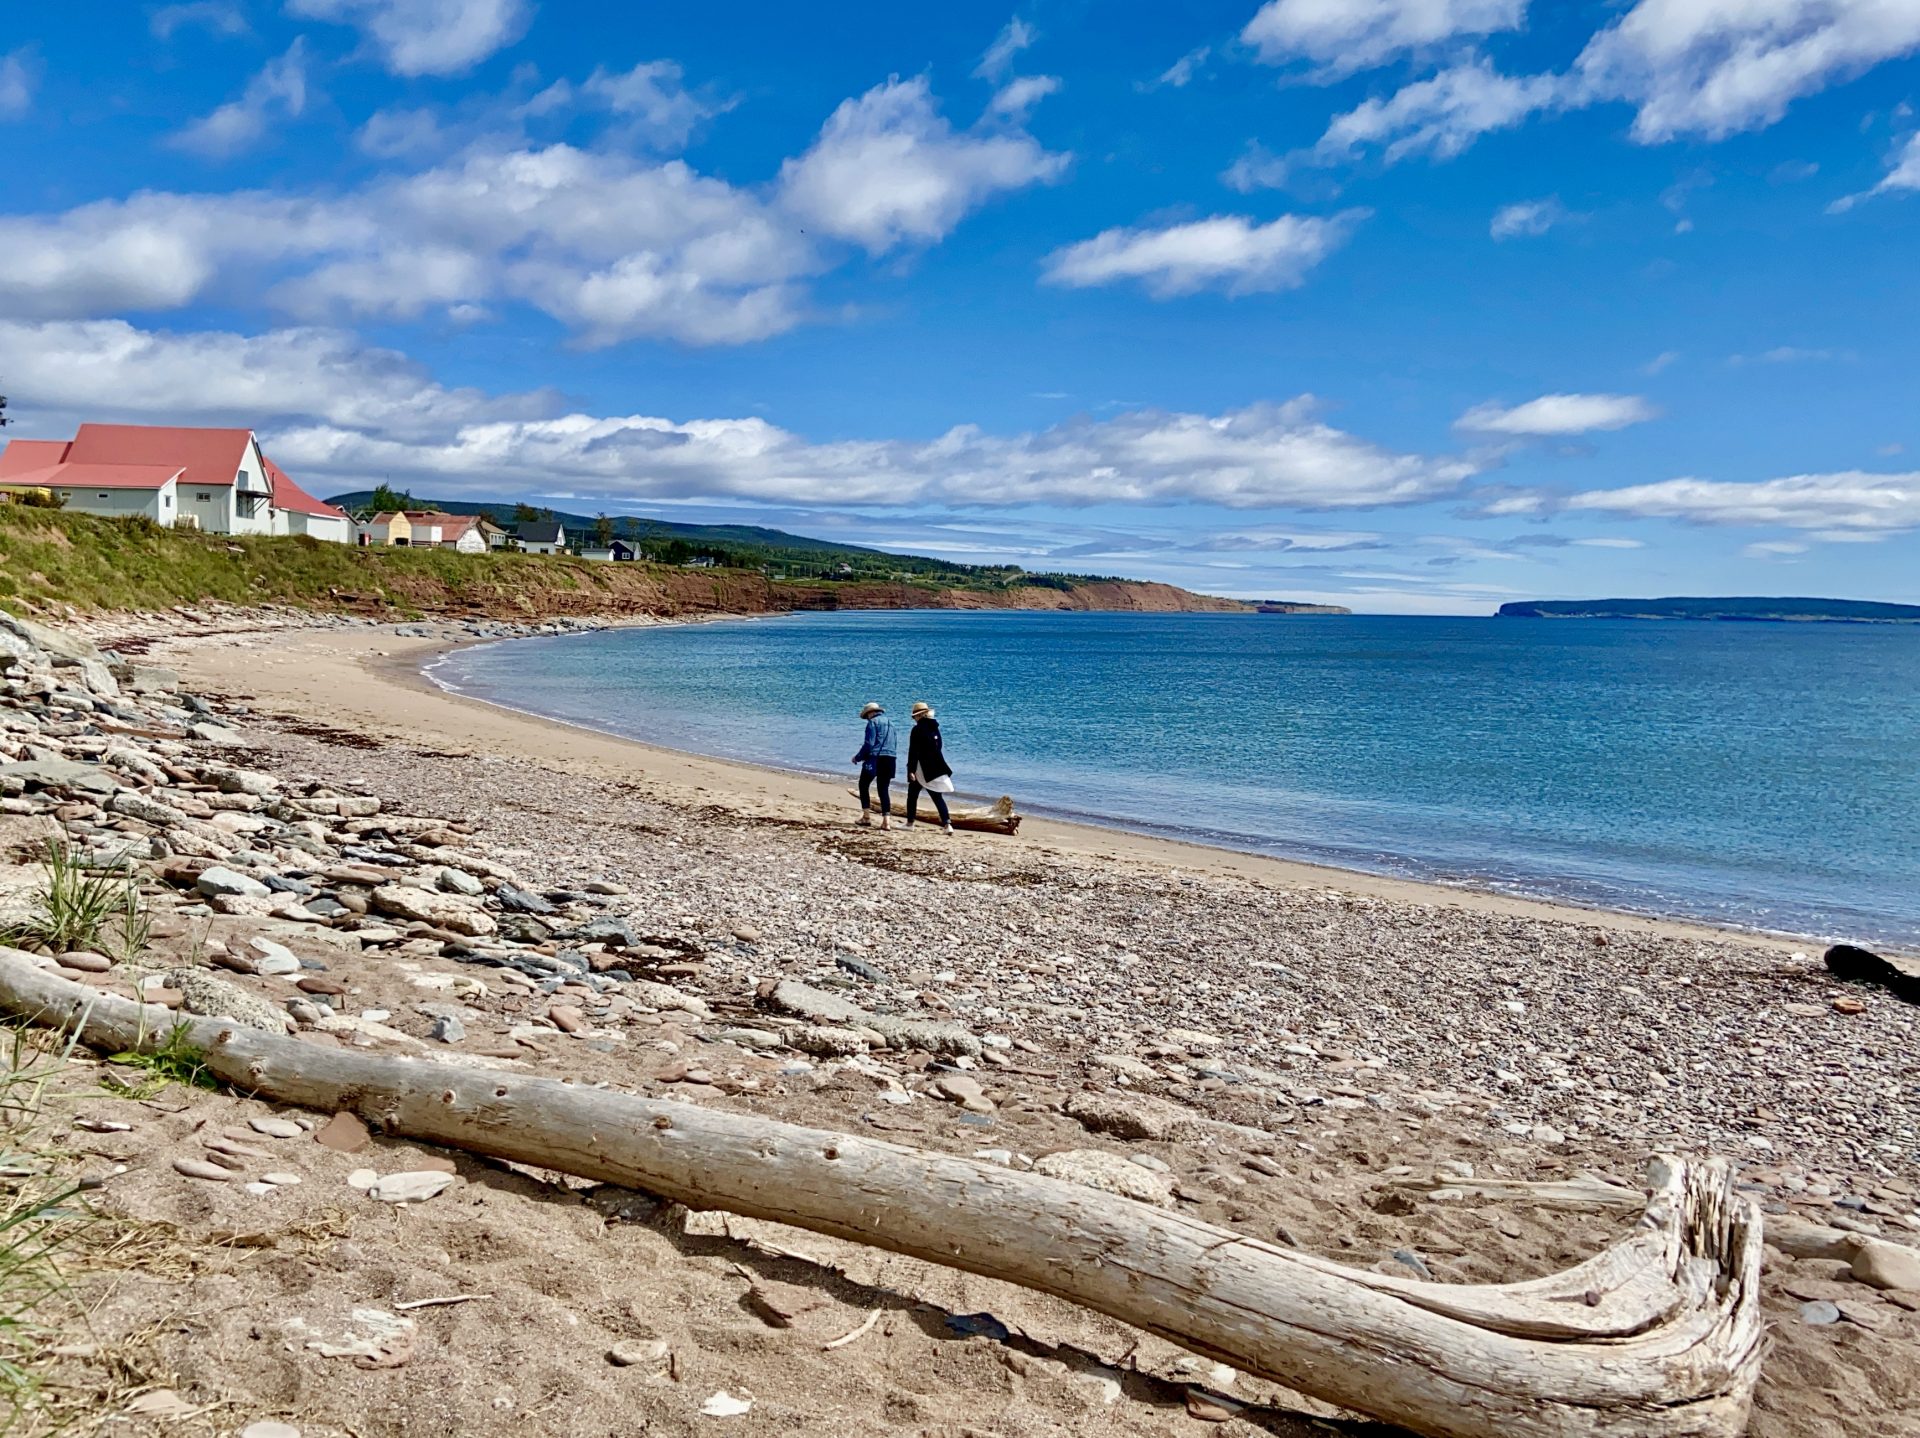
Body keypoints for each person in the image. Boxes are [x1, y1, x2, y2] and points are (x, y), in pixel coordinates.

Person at [905, 700, 956, 832]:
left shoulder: (917, 730)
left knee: (912, 795)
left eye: (915, 716)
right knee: (937, 796)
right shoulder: (935, 728)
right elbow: (939, 747)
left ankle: (910, 824)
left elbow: (913, 751)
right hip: (937, 766)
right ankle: (947, 824)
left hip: (922, 768)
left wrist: (911, 770)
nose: (914, 719)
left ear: (919, 716)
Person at [852, 700, 897, 828]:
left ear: (870, 714)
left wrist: (858, 757)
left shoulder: (872, 723)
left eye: (866, 716)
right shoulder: (891, 724)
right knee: (883, 789)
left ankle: (866, 816)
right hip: (890, 758)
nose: (867, 719)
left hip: (876, 758)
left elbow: (869, 744)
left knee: (863, 784)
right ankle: (886, 821)